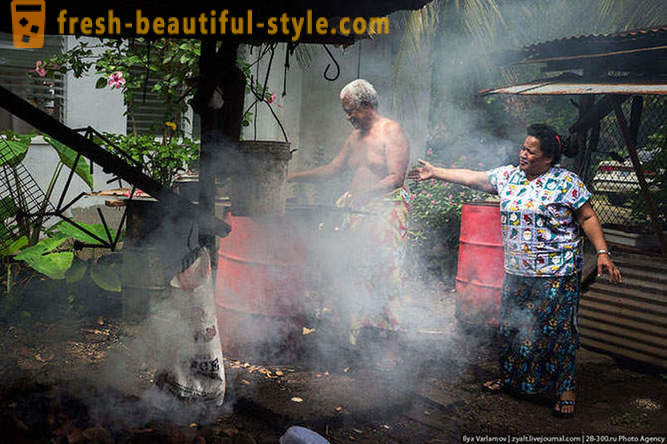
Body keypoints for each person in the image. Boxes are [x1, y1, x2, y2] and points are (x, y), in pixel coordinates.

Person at [408, 123, 622, 417]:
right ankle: (512, 379)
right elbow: (473, 178)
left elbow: (587, 216)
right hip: (517, 271)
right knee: (512, 328)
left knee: (558, 333)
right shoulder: (509, 176)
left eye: (530, 151)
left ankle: (565, 389)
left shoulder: (566, 182)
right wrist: (436, 172)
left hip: (556, 274)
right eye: (522, 148)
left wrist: (601, 252)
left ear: (548, 158)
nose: (522, 154)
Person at [287, 79, 411, 368]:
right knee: (355, 273)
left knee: (386, 276)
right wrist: (292, 177)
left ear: (366, 105)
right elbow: (333, 169)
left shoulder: (391, 131)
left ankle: (388, 348)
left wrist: (365, 194)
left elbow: (396, 177)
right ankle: (356, 340)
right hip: (357, 211)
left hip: (385, 211)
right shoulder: (355, 138)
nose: (348, 117)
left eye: (350, 110)